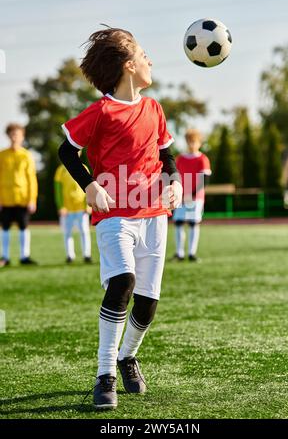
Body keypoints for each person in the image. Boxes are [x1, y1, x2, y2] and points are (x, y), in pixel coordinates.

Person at [58, 27, 183, 410]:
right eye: (144, 55)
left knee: (147, 304)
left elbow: (167, 157)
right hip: (114, 215)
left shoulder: (155, 109)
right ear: (129, 66)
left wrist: (175, 181)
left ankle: (128, 357)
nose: (150, 61)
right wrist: (90, 185)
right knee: (122, 283)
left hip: (154, 215)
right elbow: (67, 151)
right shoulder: (101, 112)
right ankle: (104, 373)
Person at [0, 123, 38, 267]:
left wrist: (32, 199)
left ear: (22, 137)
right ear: (8, 136)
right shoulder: (2, 155)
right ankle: (4, 257)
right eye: (12, 134)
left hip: (23, 198)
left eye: (17, 134)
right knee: (4, 227)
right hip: (5, 198)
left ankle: (24, 256)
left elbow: (32, 180)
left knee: (24, 227)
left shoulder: (27, 156)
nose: (14, 137)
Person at [172, 129, 211, 262]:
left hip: (196, 198)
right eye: (189, 141)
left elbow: (205, 180)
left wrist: (191, 194)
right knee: (178, 223)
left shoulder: (203, 159)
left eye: (194, 141)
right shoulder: (180, 158)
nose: (191, 144)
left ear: (199, 143)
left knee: (194, 224)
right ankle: (179, 253)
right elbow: (174, 176)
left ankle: (192, 253)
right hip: (181, 197)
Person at [54, 161, 92, 263]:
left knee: (84, 232)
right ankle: (70, 255)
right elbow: (57, 189)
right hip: (67, 208)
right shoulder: (61, 170)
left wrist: (87, 205)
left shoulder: (84, 167)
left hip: (81, 207)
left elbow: (89, 186)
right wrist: (61, 206)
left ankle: (87, 255)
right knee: (67, 233)